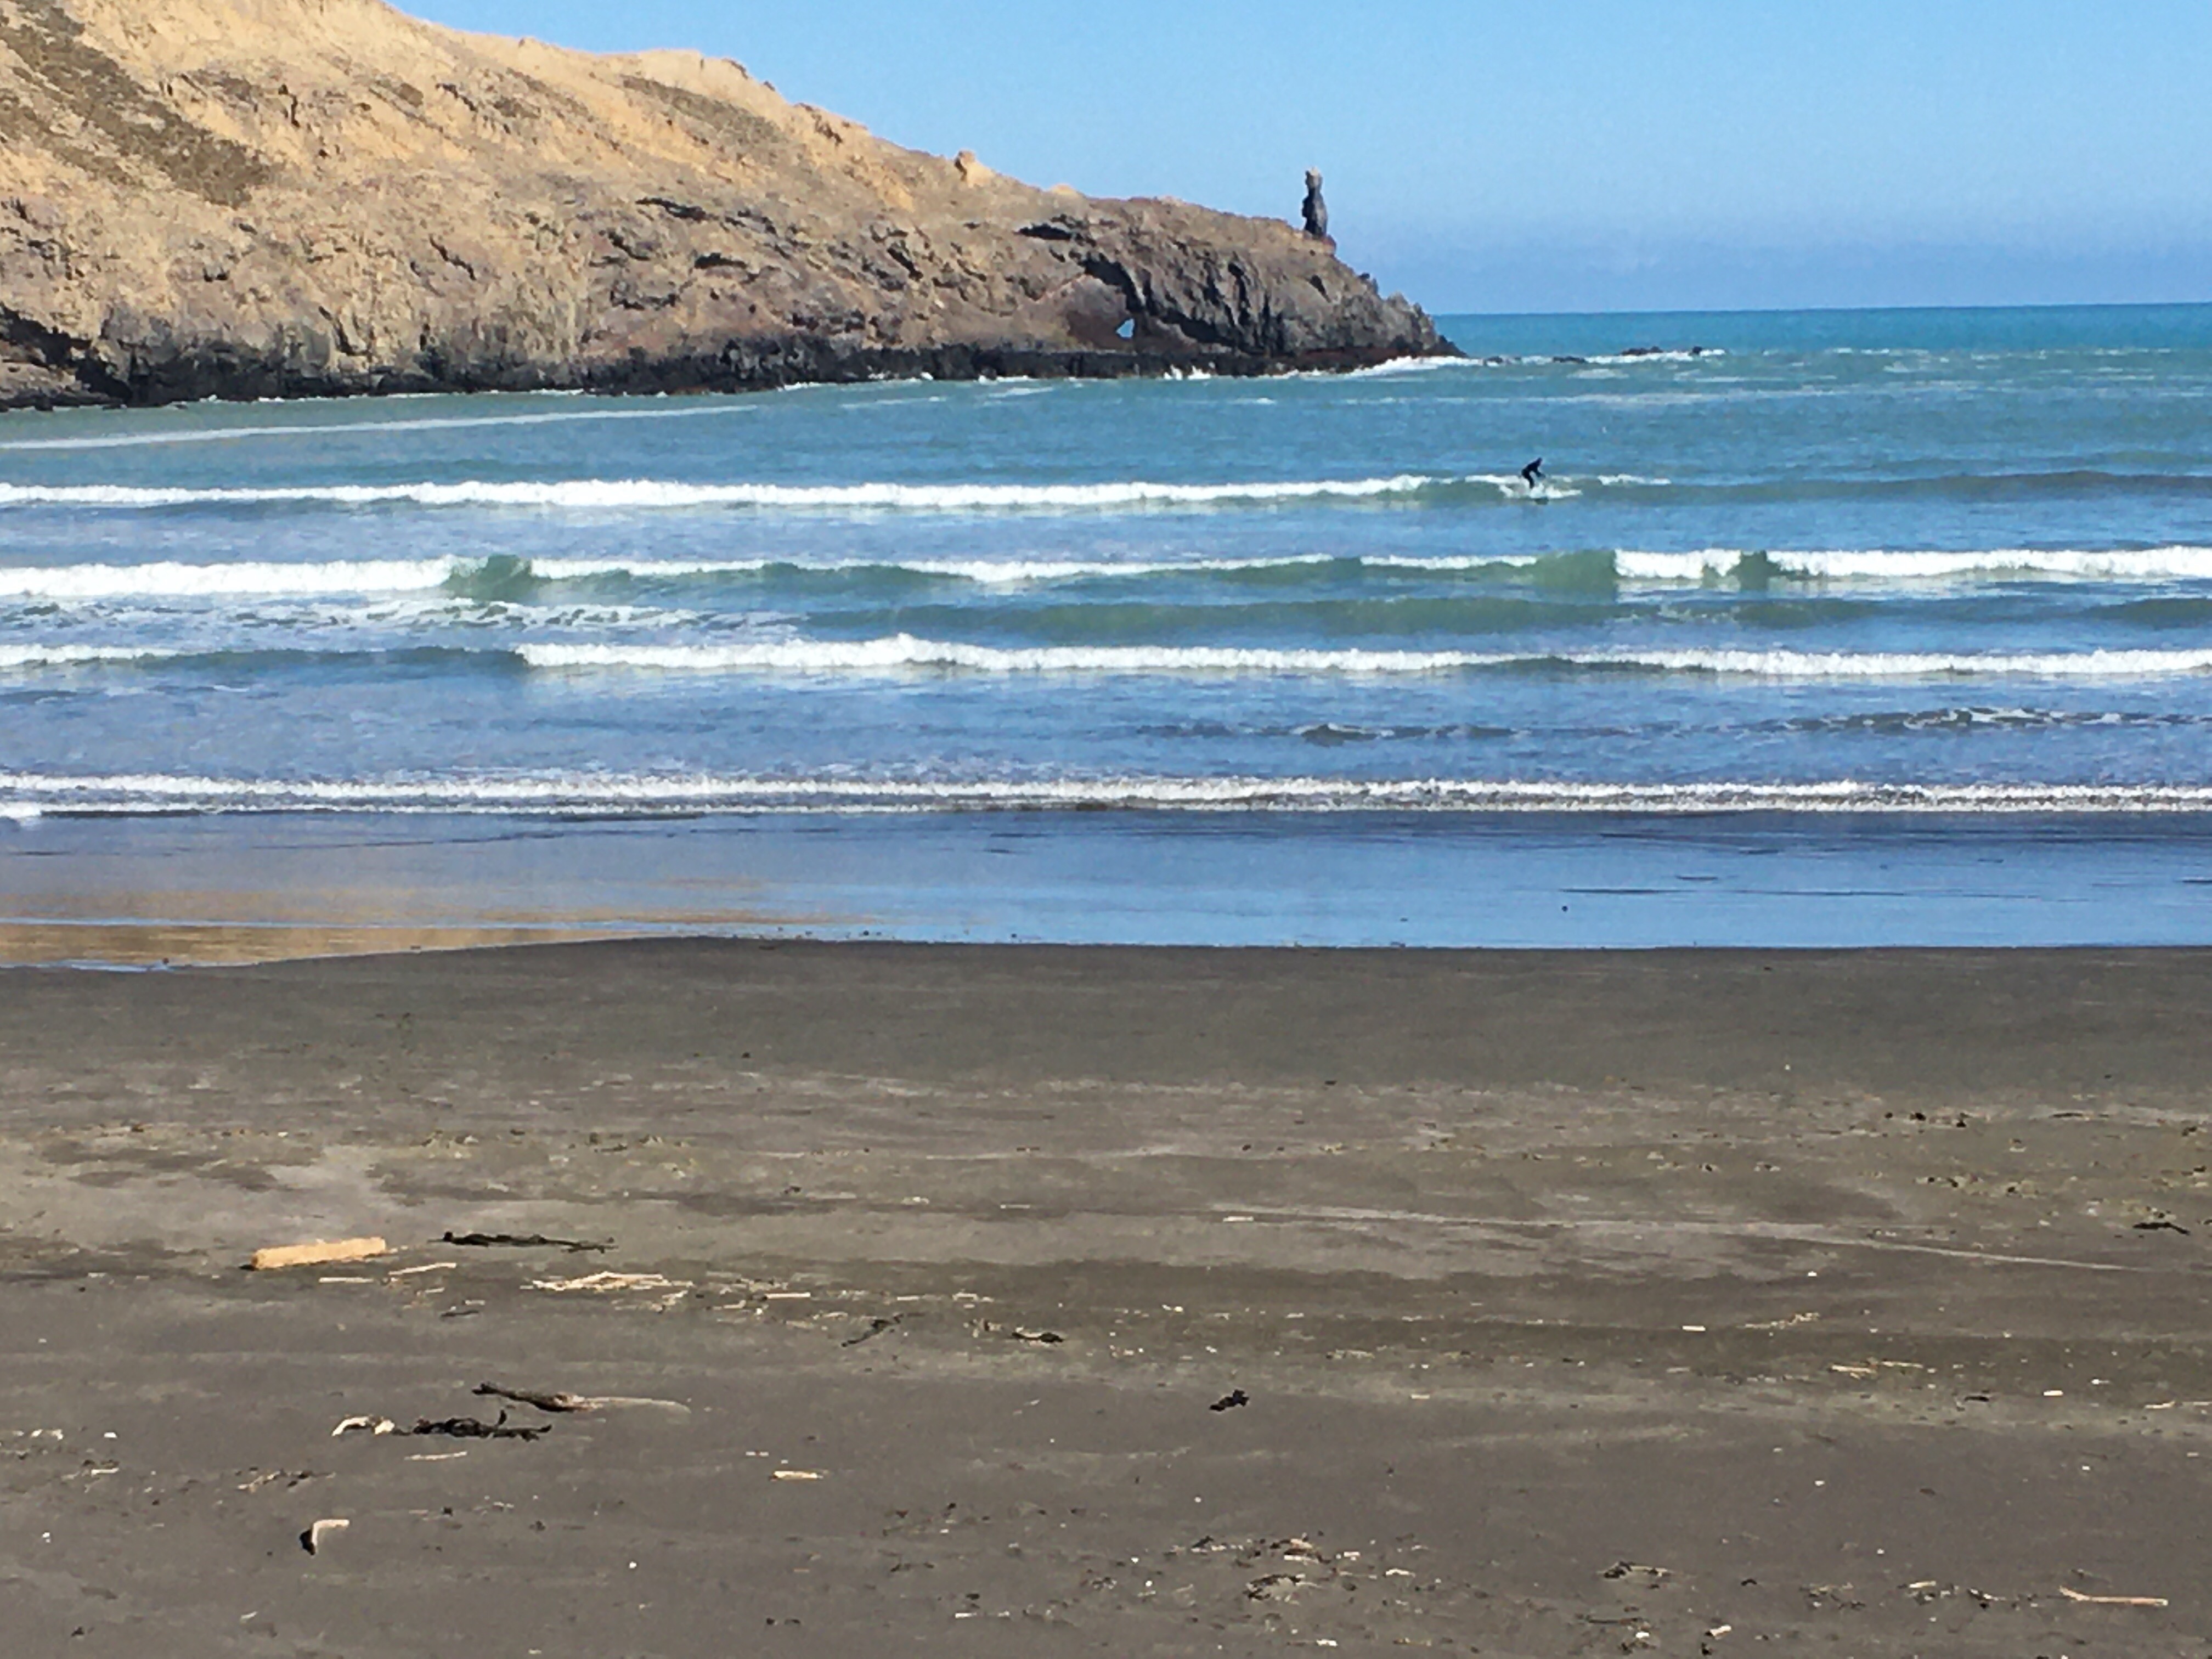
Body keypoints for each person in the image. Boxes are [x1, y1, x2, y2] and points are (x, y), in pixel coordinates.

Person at [1301, 170, 1330, 242]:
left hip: (1315, 235)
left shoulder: (1316, 201)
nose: (1306, 182)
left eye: (1309, 179)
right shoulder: (1309, 200)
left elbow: (1319, 222)